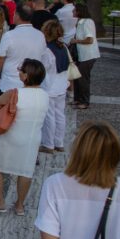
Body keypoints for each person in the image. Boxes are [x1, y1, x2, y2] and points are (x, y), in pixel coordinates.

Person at [0, 59, 50, 216]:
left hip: (10, 135)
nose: (19, 72)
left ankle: (0, 201)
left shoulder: (14, 93)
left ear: (25, 76)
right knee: (25, 171)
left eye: (21, 70)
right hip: (32, 138)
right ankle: (20, 205)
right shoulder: (45, 95)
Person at [0, 6, 46, 93]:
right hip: (32, 82)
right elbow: (43, 56)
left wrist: (1, 73)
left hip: (10, 82)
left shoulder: (9, 35)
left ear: (18, 16)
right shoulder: (40, 35)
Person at [40, 20, 70, 153]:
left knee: (49, 116)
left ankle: (48, 144)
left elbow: (43, 68)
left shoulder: (47, 50)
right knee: (60, 115)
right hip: (62, 85)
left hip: (49, 86)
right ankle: (59, 142)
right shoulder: (63, 47)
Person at [71, 3, 99, 110]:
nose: (72, 12)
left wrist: (76, 41)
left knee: (83, 79)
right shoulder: (80, 22)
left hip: (88, 55)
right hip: (82, 55)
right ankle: (77, 99)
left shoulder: (87, 22)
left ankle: (85, 101)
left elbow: (89, 39)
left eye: (74, 10)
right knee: (78, 77)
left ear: (79, 11)